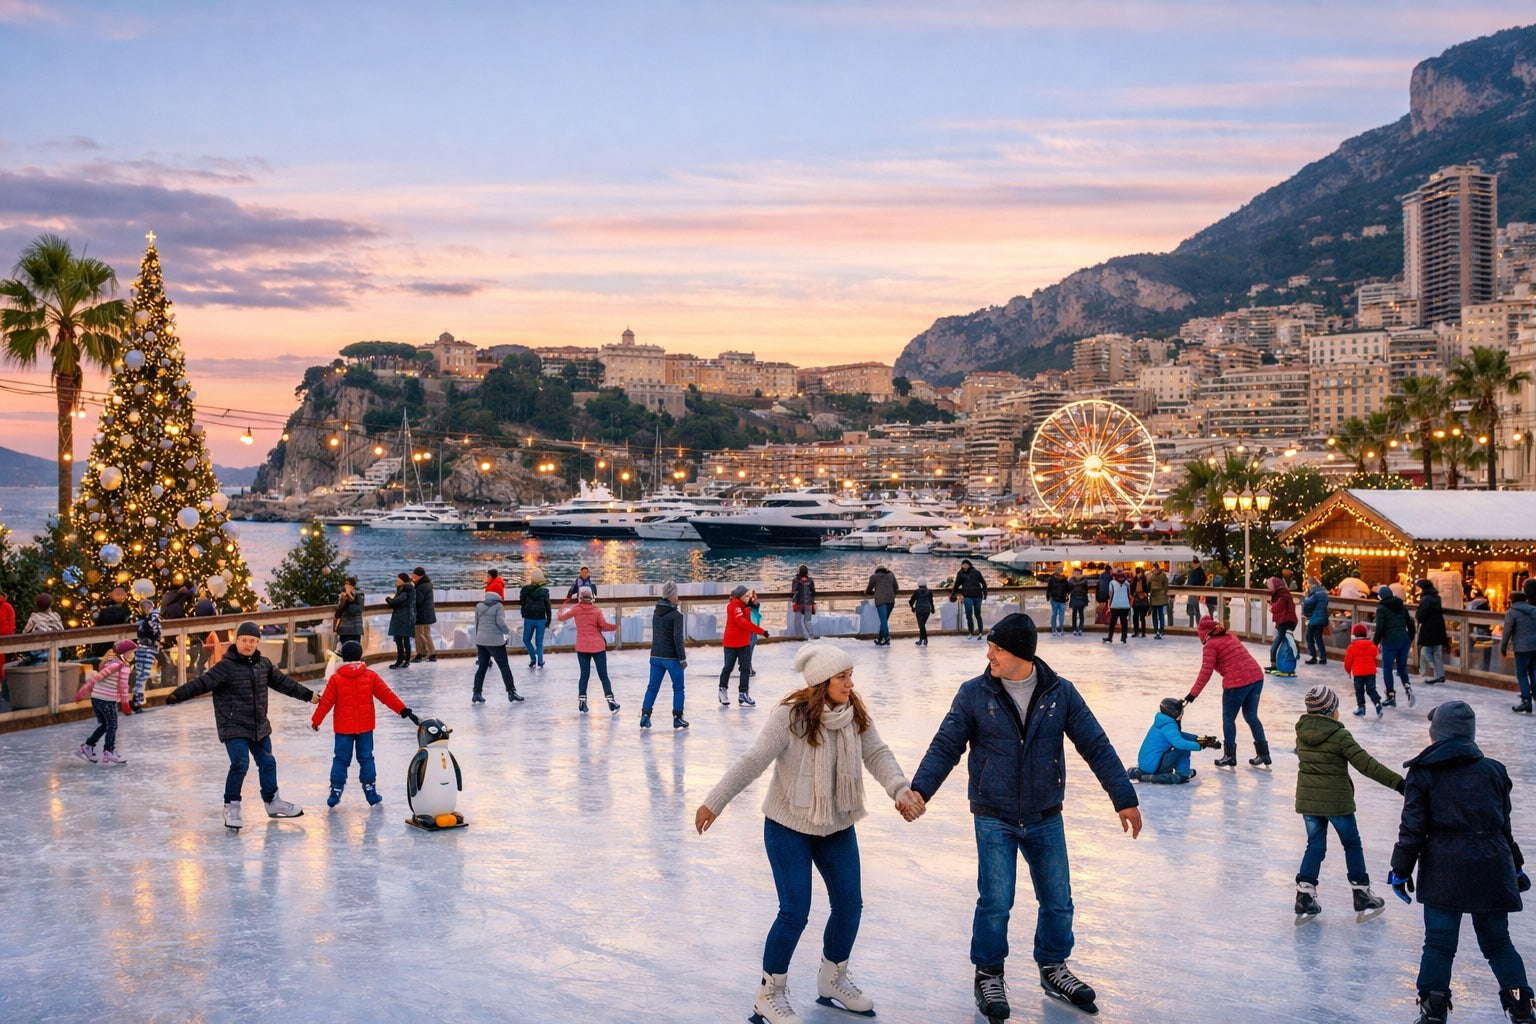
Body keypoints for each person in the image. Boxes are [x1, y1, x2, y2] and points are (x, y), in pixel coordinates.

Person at [910, 613, 1141, 1021]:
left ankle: (1053, 967)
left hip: (1044, 813)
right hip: (993, 814)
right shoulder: (975, 693)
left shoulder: (1059, 693)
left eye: (996, 649)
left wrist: (1123, 797)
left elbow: (1096, 744)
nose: (989, 656)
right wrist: (920, 790)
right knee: (996, 901)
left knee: (1058, 899)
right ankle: (988, 973)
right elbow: (946, 745)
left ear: (1020, 653)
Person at [695, 641, 922, 1024]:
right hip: (788, 827)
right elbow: (754, 760)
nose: (850, 684)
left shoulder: (854, 713)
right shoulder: (790, 716)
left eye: (851, 676)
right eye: (842, 677)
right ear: (821, 682)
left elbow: (876, 753)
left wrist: (900, 789)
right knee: (794, 912)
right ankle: (769, 994)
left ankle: (833, 978)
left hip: (837, 824)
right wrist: (715, 801)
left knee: (849, 905)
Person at [1389, 701, 1536, 1024]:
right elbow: (1504, 827)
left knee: (1439, 944)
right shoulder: (1494, 770)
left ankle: (1433, 1011)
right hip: (1492, 866)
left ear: (1438, 734)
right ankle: (1522, 1008)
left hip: (1445, 869)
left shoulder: (1423, 772)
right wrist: (1515, 866)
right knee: (1498, 942)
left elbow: (1413, 827)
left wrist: (1400, 869)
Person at [164, 621, 319, 828]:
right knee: (240, 764)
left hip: (258, 725)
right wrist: (178, 695)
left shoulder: (263, 665)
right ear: (236, 641)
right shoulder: (225, 667)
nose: (248, 645)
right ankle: (231, 805)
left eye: (252, 641)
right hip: (233, 725)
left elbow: (284, 683)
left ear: (257, 643)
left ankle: (273, 802)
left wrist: (308, 695)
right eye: (244, 640)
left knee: (268, 762)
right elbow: (202, 683)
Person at [1291, 684, 1401, 922]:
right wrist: (1400, 784)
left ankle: (1304, 895)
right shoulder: (1340, 736)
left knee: (1315, 845)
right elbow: (1367, 765)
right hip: (1336, 803)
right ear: (1332, 710)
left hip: (1309, 802)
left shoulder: (1301, 733)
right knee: (1351, 843)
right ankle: (1361, 894)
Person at [310, 640, 416, 807]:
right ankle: (370, 789)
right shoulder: (370, 676)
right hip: (365, 728)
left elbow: (326, 703)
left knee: (340, 759)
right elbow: (386, 694)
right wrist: (402, 709)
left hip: (343, 729)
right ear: (360, 656)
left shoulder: (336, 679)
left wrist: (316, 721)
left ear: (343, 658)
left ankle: (336, 790)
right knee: (366, 758)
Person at [1185, 616, 1271, 768]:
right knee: (1251, 716)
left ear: (1203, 633)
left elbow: (1206, 672)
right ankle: (1264, 754)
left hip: (1236, 683)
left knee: (1228, 719)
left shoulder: (1211, 645)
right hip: (1256, 677)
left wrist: (1193, 694)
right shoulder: (1230, 636)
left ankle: (1229, 756)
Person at [1129, 696, 1218, 784]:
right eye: (1181, 713)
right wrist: (1200, 745)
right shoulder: (1169, 726)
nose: (1182, 715)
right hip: (1153, 765)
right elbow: (1181, 744)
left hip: (1146, 764)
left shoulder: (1163, 722)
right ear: (1174, 713)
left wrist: (1202, 740)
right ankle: (1183, 774)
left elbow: (1180, 736)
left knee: (1182, 746)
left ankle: (1155, 773)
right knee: (1183, 749)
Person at [75, 639, 136, 765]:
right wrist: (125, 704)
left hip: (96, 698)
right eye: (130, 652)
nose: (133, 655)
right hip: (107, 700)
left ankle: (87, 746)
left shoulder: (111, 662)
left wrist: (84, 689)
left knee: (105, 725)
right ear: (123, 654)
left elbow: (98, 677)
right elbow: (123, 688)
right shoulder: (122, 667)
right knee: (112, 725)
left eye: (133, 652)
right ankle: (109, 751)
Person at [559, 587, 619, 714]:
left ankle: (582, 703)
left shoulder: (576, 609)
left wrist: (564, 603)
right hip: (597, 647)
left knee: (584, 675)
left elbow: (561, 617)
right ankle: (611, 702)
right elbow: (604, 626)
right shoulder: (597, 611)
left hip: (582, 647)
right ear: (592, 598)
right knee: (603, 676)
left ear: (580, 598)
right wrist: (615, 627)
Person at [642, 580, 688, 730]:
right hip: (671, 658)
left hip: (655, 655)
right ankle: (678, 718)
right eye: (676, 595)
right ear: (672, 596)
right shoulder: (676, 616)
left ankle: (645, 716)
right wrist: (682, 659)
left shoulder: (656, 613)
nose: (678, 598)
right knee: (678, 688)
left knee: (652, 687)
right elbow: (677, 639)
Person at [720, 584, 768, 707]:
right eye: (745, 596)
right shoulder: (733, 606)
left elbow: (753, 615)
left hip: (744, 642)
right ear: (740, 596)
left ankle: (743, 693)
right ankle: (722, 690)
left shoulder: (744, 605)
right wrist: (761, 631)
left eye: (748, 595)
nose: (747, 597)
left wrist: (755, 605)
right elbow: (743, 622)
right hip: (731, 643)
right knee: (728, 667)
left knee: (745, 668)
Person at [471, 588, 522, 704]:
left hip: (481, 641)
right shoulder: (498, 606)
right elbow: (500, 622)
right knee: (504, 666)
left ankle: (476, 693)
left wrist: (478, 637)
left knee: (482, 667)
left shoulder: (479, 606)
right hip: (495, 641)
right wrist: (507, 631)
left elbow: (476, 623)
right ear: (497, 599)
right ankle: (511, 692)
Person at [1374, 584, 1416, 708]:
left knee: (1387, 668)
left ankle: (1390, 695)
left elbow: (1380, 628)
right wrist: (1409, 638)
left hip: (1390, 641)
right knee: (1402, 667)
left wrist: (1374, 643)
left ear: (1381, 597)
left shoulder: (1381, 608)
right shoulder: (1402, 606)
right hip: (1404, 639)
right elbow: (1410, 623)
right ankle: (1407, 687)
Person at [1504, 580, 1536, 714]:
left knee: (1522, 674)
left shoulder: (1511, 612)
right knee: (1534, 672)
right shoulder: (1534, 610)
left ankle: (1526, 700)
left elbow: (1507, 631)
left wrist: (1503, 647)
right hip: (1535, 646)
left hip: (1521, 648)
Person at [1344, 623, 1384, 718]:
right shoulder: (1372, 646)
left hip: (1358, 673)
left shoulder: (1352, 647)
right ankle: (1377, 703)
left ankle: (1361, 707)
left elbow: (1347, 661)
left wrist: (1348, 671)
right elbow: (1375, 657)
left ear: (1354, 634)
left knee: (1359, 691)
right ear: (1365, 634)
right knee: (1371, 689)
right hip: (1370, 672)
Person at [1415, 578, 1449, 686]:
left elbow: (1422, 613)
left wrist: (1418, 617)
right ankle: (1440, 674)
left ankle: (1434, 672)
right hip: (1438, 626)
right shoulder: (1436, 597)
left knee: (1426, 651)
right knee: (1437, 652)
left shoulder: (1425, 598)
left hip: (1429, 626)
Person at [130, 597, 160, 711]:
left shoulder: (145, 620)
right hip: (146, 649)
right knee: (142, 674)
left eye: (149, 607)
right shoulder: (149, 620)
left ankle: (137, 699)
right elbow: (155, 632)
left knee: (142, 674)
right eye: (145, 608)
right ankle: (137, 700)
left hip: (144, 648)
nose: (147, 609)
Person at [519, 568, 553, 670]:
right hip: (541, 619)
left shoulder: (525, 590)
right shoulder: (545, 592)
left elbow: (522, 602)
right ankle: (540, 661)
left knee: (526, 640)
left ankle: (533, 658)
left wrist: (523, 612)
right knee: (539, 642)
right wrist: (549, 619)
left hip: (529, 618)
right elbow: (548, 606)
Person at [1266, 575, 1299, 671]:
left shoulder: (1281, 596)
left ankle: (1275, 664)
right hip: (1290, 622)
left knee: (1275, 645)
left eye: (1270, 587)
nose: (1269, 589)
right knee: (1285, 643)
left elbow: (1277, 608)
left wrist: (1271, 606)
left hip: (1284, 623)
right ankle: (1287, 660)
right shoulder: (1285, 594)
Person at [384, 572, 415, 669]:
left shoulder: (405, 591)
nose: (396, 581)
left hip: (402, 618)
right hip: (403, 618)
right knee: (404, 640)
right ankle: (405, 661)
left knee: (402, 641)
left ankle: (401, 661)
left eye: (398, 580)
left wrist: (387, 599)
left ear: (403, 581)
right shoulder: (405, 590)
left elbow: (395, 602)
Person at [950, 559, 988, 638]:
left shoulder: (976, 572)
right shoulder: (960, 574)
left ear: (969, 565)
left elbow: (983, 583)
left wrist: (985, 594)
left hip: (978, 596)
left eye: (966, 564)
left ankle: (980, 632)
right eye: (963, 564)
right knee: (968, 615)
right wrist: (953, 593)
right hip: (967, 596)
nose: (964, 565)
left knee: (978, 614)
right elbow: (957, 584)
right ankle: (971, 632)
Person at [864, 565, 898, 646]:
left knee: (883, 621)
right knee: (884, 621)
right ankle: (880, 639)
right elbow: (896, 587)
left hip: (881, 601)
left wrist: (868, 592)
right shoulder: (891, 575)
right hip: (891, 600)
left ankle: (886, 637)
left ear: (877, 571)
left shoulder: (874, 577)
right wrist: (892, 594)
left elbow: (869, 590)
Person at [1301, 576, 1331, 665]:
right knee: (1318, 637)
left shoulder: (1315, 593)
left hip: (1315, 618)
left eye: (1308, 584)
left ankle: (1313, 656)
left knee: (1309, 636)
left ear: (1311, 584)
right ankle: (1323, 657)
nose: (1307, 585)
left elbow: (1308, 603)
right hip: (1323, 617)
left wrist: (1305, 599)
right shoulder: (1323, 592)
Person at [410, 566, 437, 663]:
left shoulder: (421, 586)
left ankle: (423, 653)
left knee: (419, 634)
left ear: (418, 575)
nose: (412, 576)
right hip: (427, 613)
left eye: (413, 575)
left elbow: (418, 600)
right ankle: (430, 653)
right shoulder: (427, 584)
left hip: (421, 613)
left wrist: (412, 588)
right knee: (426, 633)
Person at [333, 576, 364, 650]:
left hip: (355, 629)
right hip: (343, 629)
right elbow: (338, 611)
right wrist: (343, 601)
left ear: (353, 586)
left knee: (353, 651)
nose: (346, 586)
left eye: (348, 584)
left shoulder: (359, 594)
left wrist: (350, 599)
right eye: (345, 584)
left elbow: (356, 610)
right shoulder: (344, 595)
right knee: (343, 651)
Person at [1103, 568, 1130, 645]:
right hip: (1125, 605)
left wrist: (1109, 605)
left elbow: (1110, 594)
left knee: (1112, 622)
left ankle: (1110, 637)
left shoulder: (1112, 583)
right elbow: (1129, 593)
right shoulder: (1127, 583)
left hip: (1115, 604)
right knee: (1124, 622)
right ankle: (1124, 638)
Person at [790, 564, 817, 640]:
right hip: (808, 603)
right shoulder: (810, 580)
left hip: (799, 603)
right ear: (807, 572)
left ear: (799, 572)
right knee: (807, 621)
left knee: (797, 621)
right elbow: (813, 591)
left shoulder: (796, 580)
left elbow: (793, 591)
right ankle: (811, 636)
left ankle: (800, 637)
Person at [1146, 562, 1169, 639]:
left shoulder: (1150, 575)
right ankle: (1161, 629)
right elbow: (1166, 585)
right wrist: (1164, 592)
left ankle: (1156, 630)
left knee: (1154, 615)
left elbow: (1147, 583)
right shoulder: (1163, 575)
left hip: (1153, 596)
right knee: (1161, 614)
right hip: (1161, 597)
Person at [908, 580, 935, 646]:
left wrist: (912, 607)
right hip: (927, 610)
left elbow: (911, 601)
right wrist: (932, 609)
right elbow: (931, 601)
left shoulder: (916, 592)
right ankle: (922, 640)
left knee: (921, 625)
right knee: (922, 625)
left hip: (919, 610)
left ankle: (924, 639)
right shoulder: (929, 592)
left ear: (919, 585)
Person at [1045, 568, 1069, 637]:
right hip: (1062, 599)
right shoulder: (1064, 579)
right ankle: (1061, 629)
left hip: (1054, 599)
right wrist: (1067, 594)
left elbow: (1049, 588)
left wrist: (1048, 597)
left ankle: (1054, 630)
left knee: (1054, 614)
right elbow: (1068, 589)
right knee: (1061, 615)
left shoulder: (1051, 579)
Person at [1184, 557, 1207, 628]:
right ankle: (1196, 624)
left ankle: (1194, 625)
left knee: (1194, 610)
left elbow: (1193, 582)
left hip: (1194, 593)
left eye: (1194, 563)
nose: (1193, 565)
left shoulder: (1196, 572)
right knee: (1195, 610)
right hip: (1195, 592)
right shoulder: (1200, 572)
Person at [1067, 567, 1089, 637]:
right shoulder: (1084, 580)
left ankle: (1075, 629)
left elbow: (1069, 590)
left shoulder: (1070, 581)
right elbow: (1086, 590)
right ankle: (1080, 629)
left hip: (1074, 598)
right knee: (1080, 614)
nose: (1075, 575)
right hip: (1081, 599)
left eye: (1076, 573)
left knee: (1075, 614)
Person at [1129, 566, 1150, 638]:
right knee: (1139, 617)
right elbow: (1147, 589)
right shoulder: (1142, 579)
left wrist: (1135, 594)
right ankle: (1141, 632)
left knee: (1138, 617)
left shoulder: (1140, 579)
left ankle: (1137, 632)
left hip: (1139, 601)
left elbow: (1132, 590)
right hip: (1141, 601)